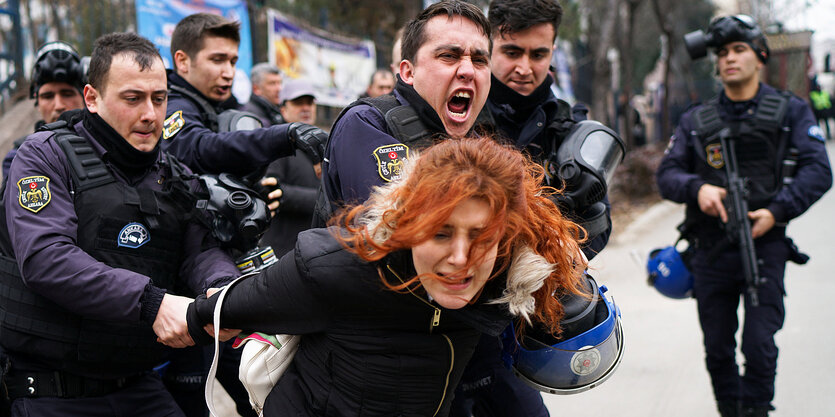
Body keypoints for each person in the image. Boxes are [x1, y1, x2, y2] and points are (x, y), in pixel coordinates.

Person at [186, 137, 591, 417]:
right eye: (441, 233)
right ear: (410, 226)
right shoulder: (333, 267)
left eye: (482, 237)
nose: (461, 259)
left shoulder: (505, 278)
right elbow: (218, 310)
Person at [0, 32, 240, 417]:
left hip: (138, 385)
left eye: (159, 99)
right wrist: (152, 303)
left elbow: (202, 250)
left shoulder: (175, 175)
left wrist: (222, 293)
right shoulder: (43, 157)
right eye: (133, 99)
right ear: (92, 98)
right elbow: (45, 257)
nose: (150, 114)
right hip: (51, 392)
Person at [657, 15, 832, 417]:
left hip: (764, 246)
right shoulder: (696, 120)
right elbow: (667, 175)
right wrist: (697, 189)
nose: (729, 59)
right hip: (711, 250)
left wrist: (777, 211)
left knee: (759, 345)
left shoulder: (790, 110)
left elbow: (819, 170)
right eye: (721, 53)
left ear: (760, 57)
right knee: (717, 348)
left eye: (739, 50)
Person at [451, 1, 615, 415]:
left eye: (538, 54)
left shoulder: (566, 127)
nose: (525, 67)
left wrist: (563, 239)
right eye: (512, 52)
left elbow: (598, 226)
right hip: (450, 316)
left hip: (524, 321)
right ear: (490, 47)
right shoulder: (455, 114)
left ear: (553, 52)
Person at [320, 0, 491, 214]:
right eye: (448, 56)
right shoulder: (366, 123)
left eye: (479, 60)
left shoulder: (483, 144)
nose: (468, 70)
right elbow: (386, 234)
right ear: (408, 73)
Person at [162, 13, 326, 178]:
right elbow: (199, 150)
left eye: (233, 62)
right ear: (183, 61)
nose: (229, 73)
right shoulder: (171, 106)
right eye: (218, 60)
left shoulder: (218, 106)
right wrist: (284, 136)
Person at [2, 41, 85, 179]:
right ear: (37, 101)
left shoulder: (106, 147)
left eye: (67, 94)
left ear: (86, 97)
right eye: (48, 96)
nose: (58, 105)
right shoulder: (18, 158)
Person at [259, 79, 321, 256]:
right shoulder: (276, 145)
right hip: (284, 251)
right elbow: (271, 190)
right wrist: (323, 200)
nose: (305, 108)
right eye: (298, 103)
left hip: (316, 250)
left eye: (309, 103)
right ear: (283, 109)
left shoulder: (325, 144)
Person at [242, 62, 284, 126]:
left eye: (280, 83)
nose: (279, 89)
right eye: (272, 83)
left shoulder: (276, 110)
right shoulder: (250, 115)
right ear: (256, 89)